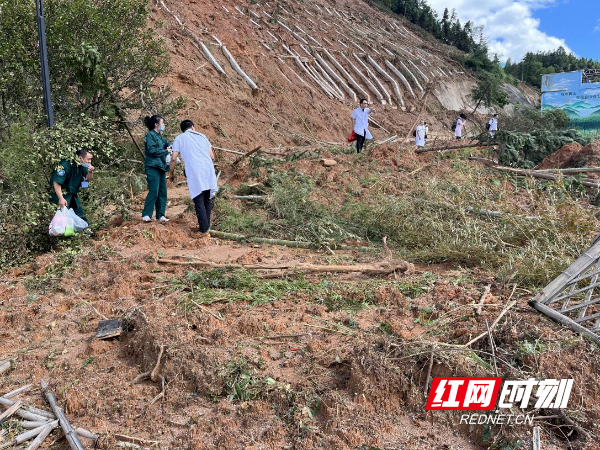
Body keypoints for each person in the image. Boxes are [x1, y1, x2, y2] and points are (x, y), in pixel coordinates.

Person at [169, 119, 218, 237]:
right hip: (208, 169)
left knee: (198, 199)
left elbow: (174, 158)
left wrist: (171, 173)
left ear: (183, 130)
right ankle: (207, 226)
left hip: (195, 170)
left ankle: (203, 230)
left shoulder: (179, 138)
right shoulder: (202, 136)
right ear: (193, 127)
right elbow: (212, 156)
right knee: (207, 198)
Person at [49, 149, 94, 223]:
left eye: (91, 159)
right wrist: (61, 198)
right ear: (80, 158)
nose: (90, 161)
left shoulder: (82, 167)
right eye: (88, 159)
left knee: (81, 218)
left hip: (72, 195)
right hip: (60, 194)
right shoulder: (64, 165)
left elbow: (86, 181)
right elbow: (56, 182)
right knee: (62, 220)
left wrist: (90, 172)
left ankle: (83, 231)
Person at [142, 114, 171, 222]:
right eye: (162, 123)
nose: (164, 125)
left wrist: (173, 146)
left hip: (161, 167)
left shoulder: (160, 136)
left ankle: (160, 215)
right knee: (154, 190)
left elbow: (167, 143)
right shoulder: (150, 135)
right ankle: (146, 214)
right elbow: (152, 151)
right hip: (152, 166)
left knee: (162, 191)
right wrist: (166, 151)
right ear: (156, 124)